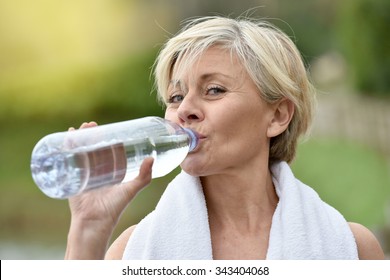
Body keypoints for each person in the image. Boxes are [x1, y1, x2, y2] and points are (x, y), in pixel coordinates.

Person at [64, 16, 384, 260]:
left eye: (213, 90)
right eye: (175, 96)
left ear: (277, 116)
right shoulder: (133, 251)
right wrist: (89, 227)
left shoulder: (350, 248)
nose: (184, 110)